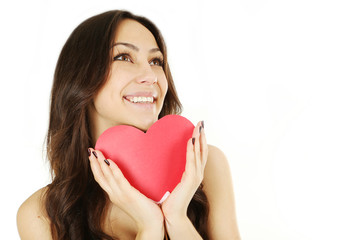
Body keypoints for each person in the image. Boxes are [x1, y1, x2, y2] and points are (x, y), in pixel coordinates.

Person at [16, 10, 240, 240]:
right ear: (81, 76)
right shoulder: (41, 215)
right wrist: (150, 226)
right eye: (123, 57)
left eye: (156, 61)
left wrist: (176, 218)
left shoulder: (206, 165)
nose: (150, 75)